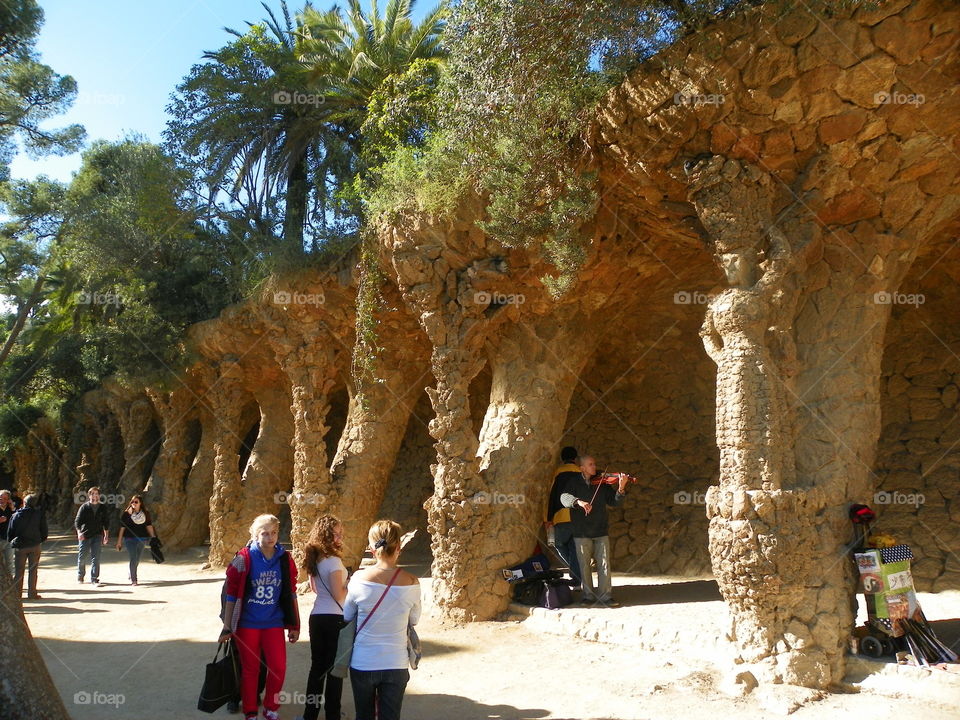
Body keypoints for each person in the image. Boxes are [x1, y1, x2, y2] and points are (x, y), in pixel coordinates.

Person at [220, 514, 299, 720]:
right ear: (255, 535)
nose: (270, 537)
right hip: (248, 624)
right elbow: (231, 594)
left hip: (273, 622)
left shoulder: (285, 559)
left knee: (278, 667)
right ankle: (250, 710)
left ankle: (271, 707)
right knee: (250, 669)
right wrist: (228, 625)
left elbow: (291, 592)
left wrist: (294, 624)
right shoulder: (243, 558)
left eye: (274, 533)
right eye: (265, 533)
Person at [344, 519, 421, 720]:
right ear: (399, 547)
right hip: (396, 662)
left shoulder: (358, 580)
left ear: (371, 548)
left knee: (364, 715)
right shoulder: (412, 582)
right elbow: (414, 619)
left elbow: (347, 615)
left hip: (363, 662)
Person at [560, 455, 629, 607]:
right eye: (590, 465)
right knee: (584, 565)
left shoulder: (602, 483)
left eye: (594, 464)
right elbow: (564, 498)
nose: (594, 467)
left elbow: (614, 501)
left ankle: (606, 596)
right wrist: (578, 502)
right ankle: (587, 596)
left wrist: (621, 488)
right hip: (581, 531)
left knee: (604, 564)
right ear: (582, 468)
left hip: (600, 529)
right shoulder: (574, 482)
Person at [296, 514, 347, 720]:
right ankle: (332, 715)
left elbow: (317, 590)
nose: (340, 537)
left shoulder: (315, 560)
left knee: (317, 669)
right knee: (335, 670)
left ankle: (310, 715)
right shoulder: (334, 561)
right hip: (335, 619)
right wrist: (351, 583)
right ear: (327, 535)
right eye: (336, 534)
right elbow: (339, 595)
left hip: (317, 617)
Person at [546, 446, 582, 587]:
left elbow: (551, 496)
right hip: (578, 518)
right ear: (575, 458)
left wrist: (548, 518)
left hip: (560, 517)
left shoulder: (557, 473)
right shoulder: (581, 473)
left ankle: (576, 576)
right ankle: (578, 580)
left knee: (559, 544)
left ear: (562, 458)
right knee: (574, 549)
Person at [7, 494, 48, 600]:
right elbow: (44, 530)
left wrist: (12, 541)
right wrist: (40, 540)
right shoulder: (39, 514)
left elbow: (10, 531)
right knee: (33, 570)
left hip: (20, 546)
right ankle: (32, 593)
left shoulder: (16, 515)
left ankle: (17, 594)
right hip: (35, 545)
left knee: (19, 571)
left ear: (24, 503)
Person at [115, 495, 155, 585]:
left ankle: (131, 571)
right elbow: (122, 528)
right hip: (129, 539)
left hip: (142, 539)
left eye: (136, 502)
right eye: (132, 502)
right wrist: (119, 542)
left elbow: (149, 526)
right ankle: (134, 579)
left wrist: (153, 538)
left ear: (140, 503)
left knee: (137, 559)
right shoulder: (126, 514)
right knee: (133, 558)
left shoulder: (145, 514)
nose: (134, 503)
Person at [75, 486, 110, 585]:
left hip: (97, 535)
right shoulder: (84, 507)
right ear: (89, 495)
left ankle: (94, 578)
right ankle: (80, 576)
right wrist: (79, 533)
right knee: (82, 557)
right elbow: (77, 521)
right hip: (85, 535)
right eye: (93, 493)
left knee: (96, 557)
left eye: (97, 493)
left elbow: (106, 522)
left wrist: (106, 535)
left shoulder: (102, 507)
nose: (95, 495)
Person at [0, 489, 16, 576]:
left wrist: (12, 507)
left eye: (5, 498)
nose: (2, 500)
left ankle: (10, 584)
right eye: (0, 498)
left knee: (9, 562)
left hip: (8, 539)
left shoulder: (11, 510)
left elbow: (17, 519)